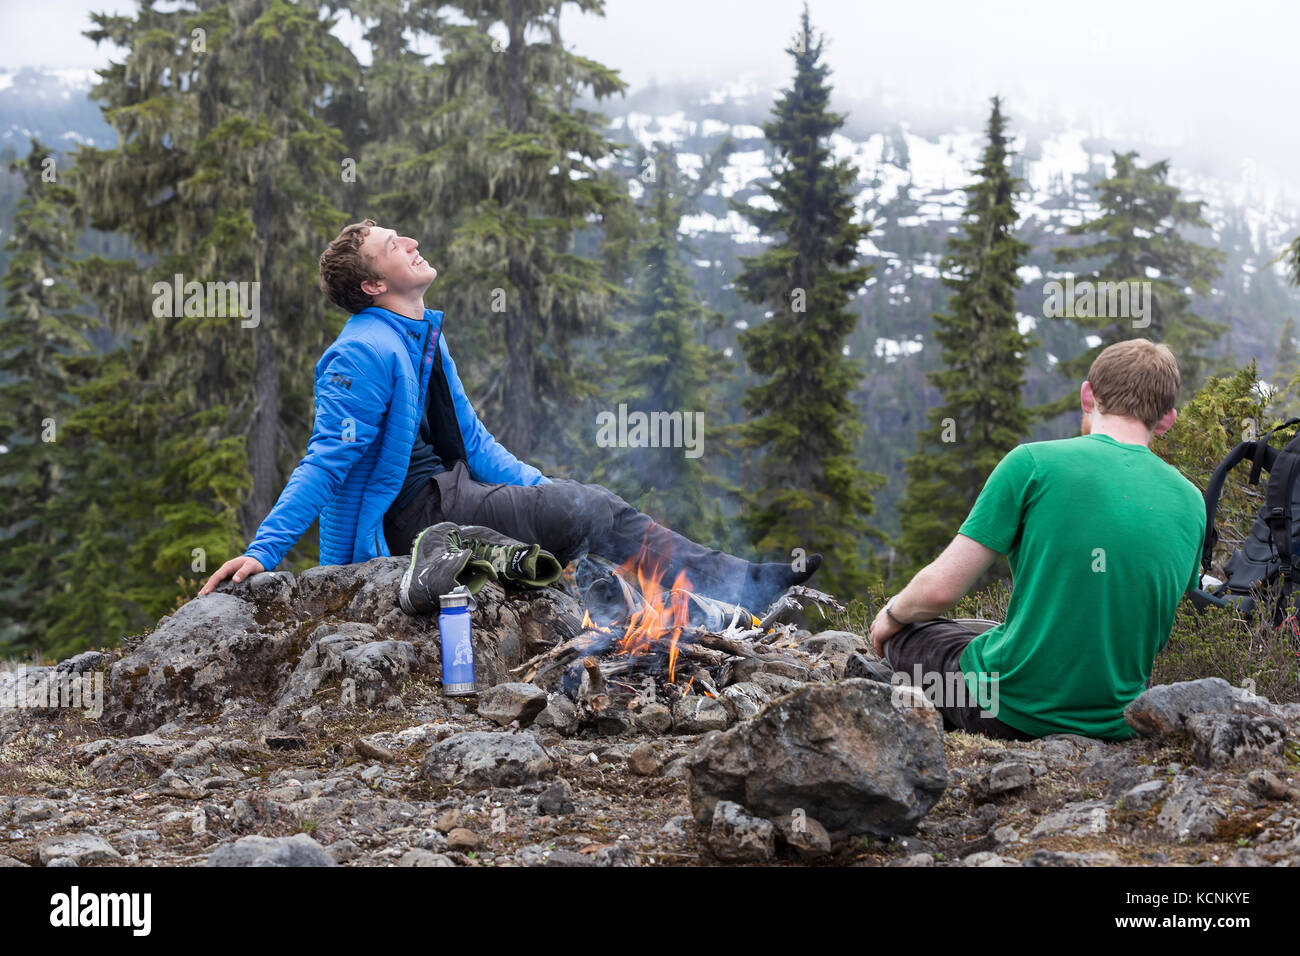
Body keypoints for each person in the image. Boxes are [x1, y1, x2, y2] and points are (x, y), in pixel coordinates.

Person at [199, 219, 819, 609]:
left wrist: (545, 488)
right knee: (594, 512)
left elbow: (473, 438)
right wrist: (266, 550)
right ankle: (745, 589)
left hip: (451, 491)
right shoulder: (360, 350)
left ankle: (736, 589)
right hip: (417, 519)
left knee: (586, 507)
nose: (411, 241)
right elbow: (326, 459)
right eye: (393, 245)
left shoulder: (419, 337)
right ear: (371, 286)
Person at [868, 339, 1205, 741]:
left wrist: (889, 618)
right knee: (988, 632)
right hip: (1117, 722)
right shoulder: (1192, 501)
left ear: (1087, 395)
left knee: (911, 634)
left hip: (1002, 710)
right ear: (1167, 419)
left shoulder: (1032, 463)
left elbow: (939, 592)